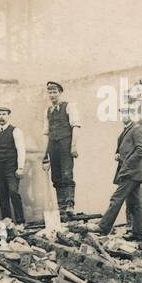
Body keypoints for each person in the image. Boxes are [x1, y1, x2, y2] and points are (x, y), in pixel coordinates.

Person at [97, 100, 142, 240]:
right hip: (131, 173)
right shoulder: (126, 131)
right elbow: (127, 149)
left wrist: (126, 163)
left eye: (128, 112)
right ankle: (138, 233)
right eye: (122, 113)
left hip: (131, 173)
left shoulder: (136, 129)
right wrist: (118, 154)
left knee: (116, 198)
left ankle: (103, 227)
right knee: (134, 203)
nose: (124, 115)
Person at [41, 80, 79, 219]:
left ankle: (70, 205)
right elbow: (46, 133)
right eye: (50, 92)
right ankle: (61, 207)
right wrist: (45, 153)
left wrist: (73, 146)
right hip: (53, 146)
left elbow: (76, 126)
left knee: (67, 174)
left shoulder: (69, 107)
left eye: (55, 92)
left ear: (60, 93)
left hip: (65, 143)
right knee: (56, 176)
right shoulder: (48, 111)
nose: (52, 95)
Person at [0, 104, 27, 224]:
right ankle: (7, 222)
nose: (1, 117)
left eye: (4, 114)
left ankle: (20, 222)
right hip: (0, 168)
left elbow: (21, 150)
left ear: (8, 116)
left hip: (12, 167)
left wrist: (20, 167)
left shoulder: (16, 131)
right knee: (2, 196)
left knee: (13, 193)